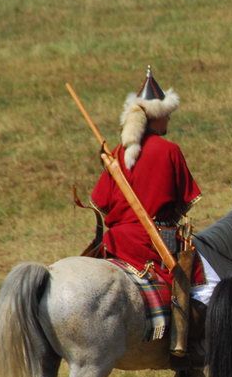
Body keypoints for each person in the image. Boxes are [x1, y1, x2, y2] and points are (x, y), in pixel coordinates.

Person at [91, 67, 212, 360]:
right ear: (155, 116)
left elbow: (100, 201)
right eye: (166, 114)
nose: (169, 118)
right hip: (152, 241)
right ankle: (186, 344)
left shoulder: (118, 153)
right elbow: (184, 200)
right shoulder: (168, 150)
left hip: (116, 241)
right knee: (198, 286)